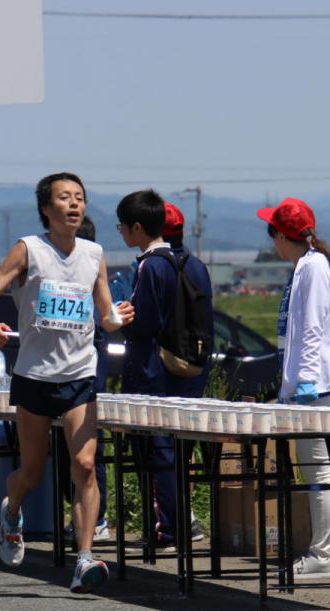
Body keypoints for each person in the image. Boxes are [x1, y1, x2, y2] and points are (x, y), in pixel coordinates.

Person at [0, 172, 134, 593]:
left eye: (79, 198)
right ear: (47, 208)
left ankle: (84, 559)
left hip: (80, 373)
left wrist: (116, 317)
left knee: (84, 466)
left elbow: (104, 313)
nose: (74, 204)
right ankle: (12, 512)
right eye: (64, 198)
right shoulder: (30, 249)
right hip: (34, 375)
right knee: (32, 471)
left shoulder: (94, 253)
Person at [257, 197, 330, 580]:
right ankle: (320, 552)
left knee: (317, 471)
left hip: (320, 388)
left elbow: (312, 329)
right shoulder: (307, 265)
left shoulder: (313, 267)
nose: (273, 244)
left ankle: (322, 555)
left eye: (274, 235)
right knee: (314, 470)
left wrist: (306, 381)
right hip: (311, 386)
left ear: (283, 236)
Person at [117, 191, 214, 549]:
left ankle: (169, 530)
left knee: (158, 453)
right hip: (191, 369)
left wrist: (119, 319)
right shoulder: (197, 266)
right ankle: (183, 523)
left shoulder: (150, 265)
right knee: (180, 451)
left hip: (154, 372)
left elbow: (144, 322)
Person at [57, 215, 111, 543]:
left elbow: (108, 317)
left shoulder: (94, 265)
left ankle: (96, 523)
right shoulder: (50, 268)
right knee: (63, 455)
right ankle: (82, 520)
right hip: (53, 371)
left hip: (85, 366)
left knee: (87, 454)